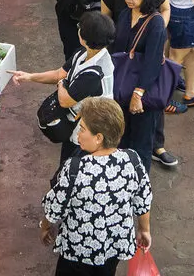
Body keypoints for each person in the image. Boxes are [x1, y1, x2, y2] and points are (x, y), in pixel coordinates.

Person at [42, 98, 152, 276]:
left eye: (83, 129)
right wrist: (144, 230)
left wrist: (45, 227)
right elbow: (143, 200)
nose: (78, 133)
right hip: (113, 248)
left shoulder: (75, 168)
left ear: (99, 137)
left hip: (77, 251)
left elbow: (54, 208)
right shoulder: (132, 160)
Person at [8, 11, 116, 169]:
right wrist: (29, 76)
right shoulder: (84, 53)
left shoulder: (94, 73)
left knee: (75, 170)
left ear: (84, 37)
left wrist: (61, 84)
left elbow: (64, 100)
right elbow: (60, 73)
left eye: (80, 27)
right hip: (78, 124)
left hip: (91, 132)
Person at [112, 0, 169, 172]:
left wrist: (139, 92)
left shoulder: (155, 23)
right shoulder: (125, 15)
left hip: (143, 95)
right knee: (121, 141)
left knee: (141, 145)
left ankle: (140, 192)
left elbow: (153, 62)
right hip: (121, 91)